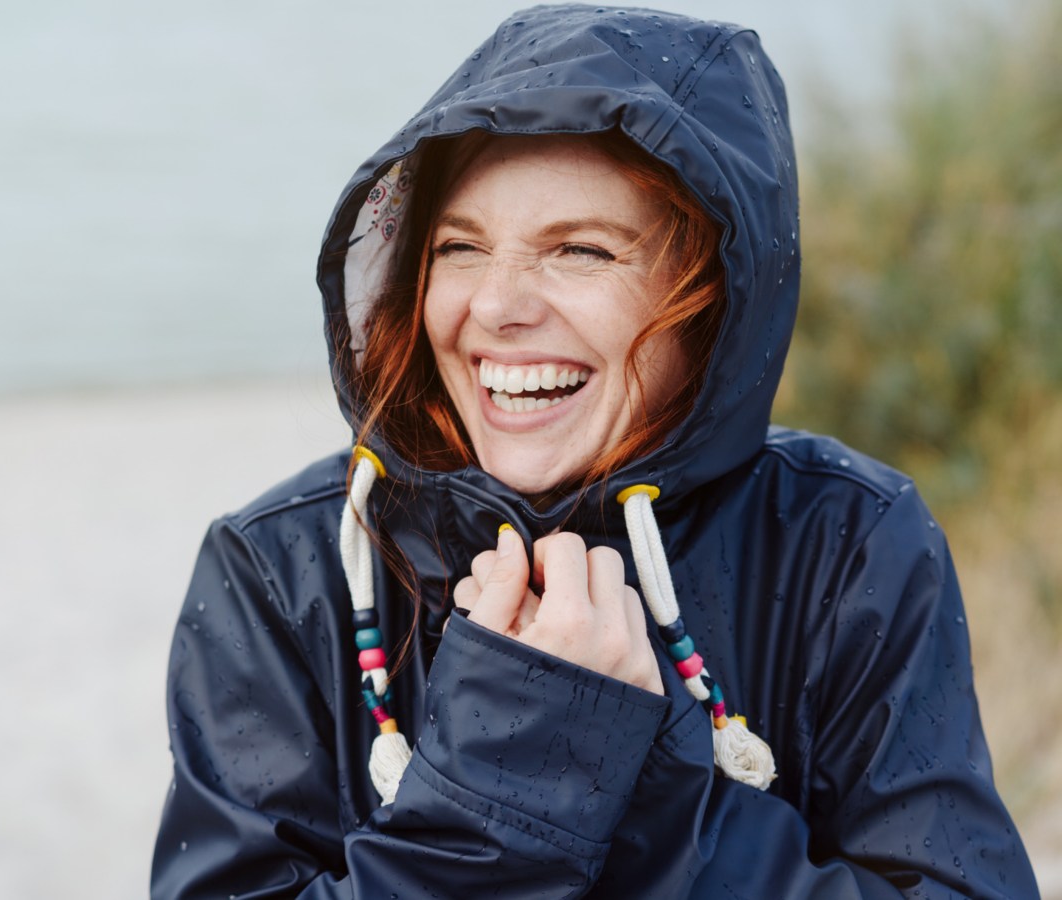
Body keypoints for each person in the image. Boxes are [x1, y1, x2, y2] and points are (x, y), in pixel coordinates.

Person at [151, 5, 1039, 898]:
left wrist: (647, 785)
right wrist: (505, 778)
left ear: (718, 296)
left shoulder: (846, 543)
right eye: (458, 246)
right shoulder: (281, 568)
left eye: (580, 249)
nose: (495, 306)